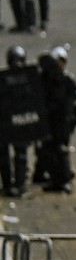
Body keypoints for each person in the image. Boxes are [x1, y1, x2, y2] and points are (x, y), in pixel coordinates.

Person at [37, 46, 76, 194]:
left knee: (60, 149)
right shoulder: (49, 79)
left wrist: (74, 119)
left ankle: (63, 180)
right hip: (53, 121)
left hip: (61, 122)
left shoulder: (64, 81)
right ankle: (54, 177)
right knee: (50, 149)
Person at [0, 44, 29, 196]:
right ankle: (10, 184)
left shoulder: (29, 81)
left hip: (19, 122)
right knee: (5, 155)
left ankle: (19, 183)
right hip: (6, 122)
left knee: (20, 153)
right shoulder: (4, 80)